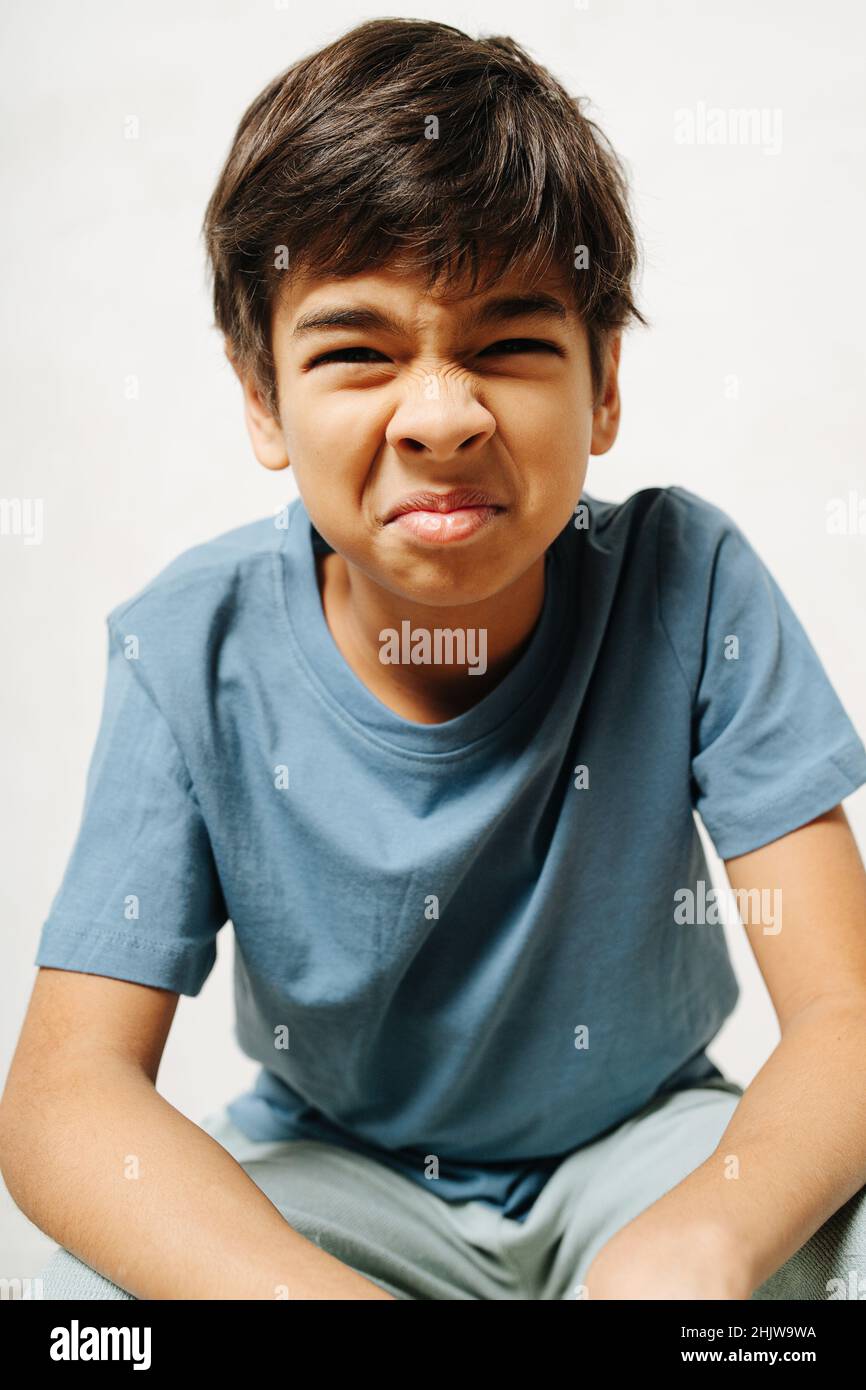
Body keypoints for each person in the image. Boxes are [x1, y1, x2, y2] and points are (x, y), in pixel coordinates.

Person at [3, 17, 866, 1301]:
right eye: (357, 353)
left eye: (510, 344)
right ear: (260, 397)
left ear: (603, 384)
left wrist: (705, 1242)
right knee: (79, 1310)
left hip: (651, 1158)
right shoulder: (191, 650)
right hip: (331, 1182)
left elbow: (847, 1021)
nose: (443, 417)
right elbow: (65, 1100)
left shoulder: (686, 585)